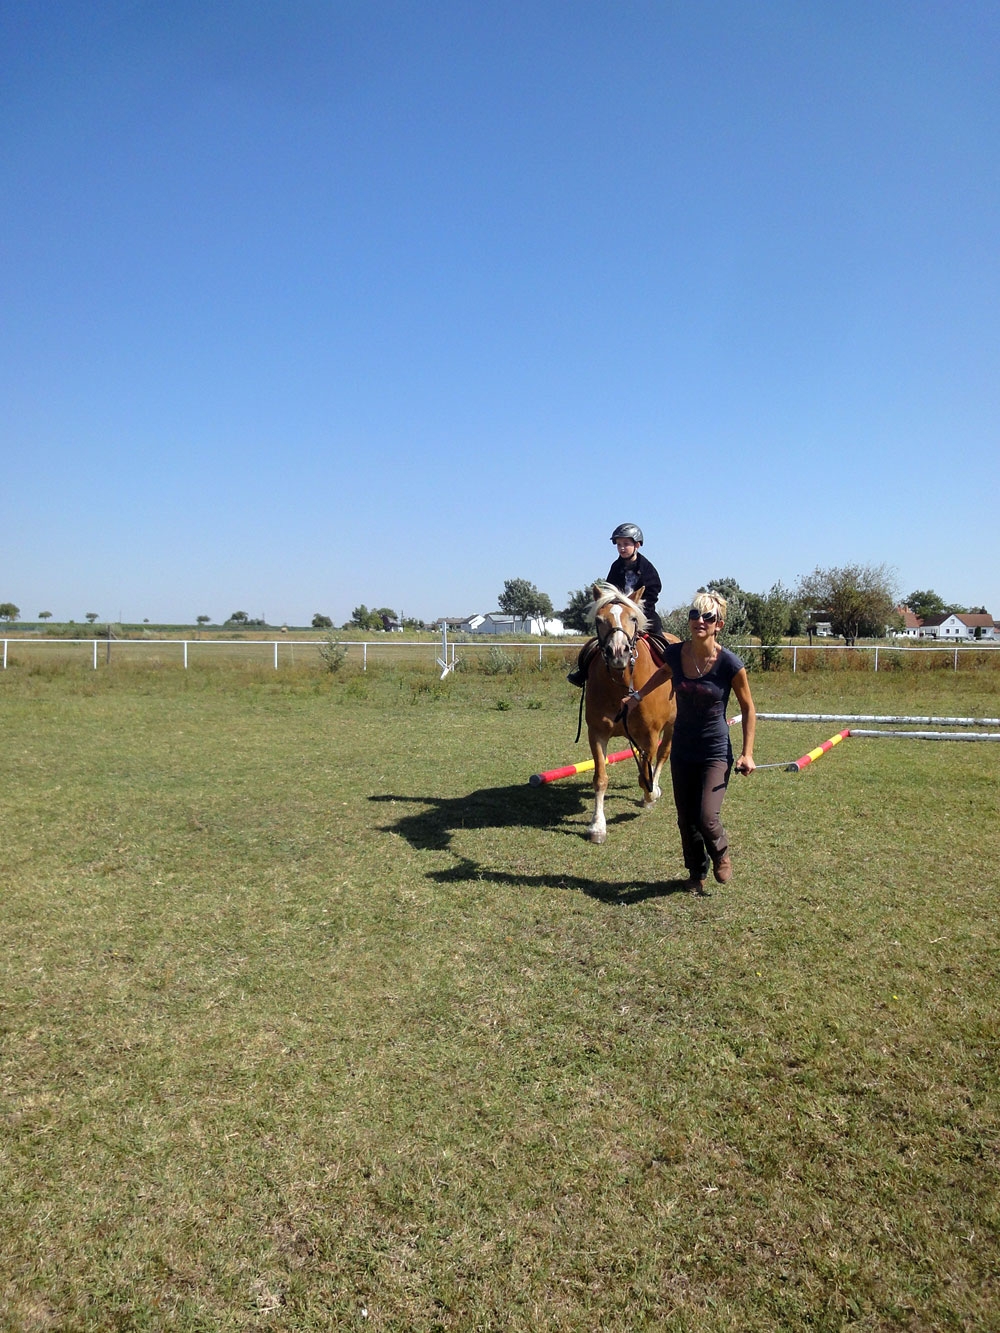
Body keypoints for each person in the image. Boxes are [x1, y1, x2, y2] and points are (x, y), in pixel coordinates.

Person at [623, 589, 756, 892]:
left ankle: (721, 854)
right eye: (694, 614)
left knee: (707, 816)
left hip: (714, 751)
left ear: (719, 624)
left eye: (707, 617)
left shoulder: (730, 664)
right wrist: (638, 696)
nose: (699, 621)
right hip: (683, 748)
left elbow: (748, 709)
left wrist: (748, 754)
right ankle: (696, 874)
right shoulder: (675, 654)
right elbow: (663, 673)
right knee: (686, 820)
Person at [567, 523, 664, 686]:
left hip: (643, 613)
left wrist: (637, 609)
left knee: (663, 643)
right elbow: (610, 592)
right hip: (618, 615)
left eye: (626, 544)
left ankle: (674, 672)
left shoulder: (647, 568)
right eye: (619, 544)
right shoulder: (615, 567)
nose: (622, 548)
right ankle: (582, 673)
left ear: (637, 545)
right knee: (592, 646)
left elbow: (654, 589)